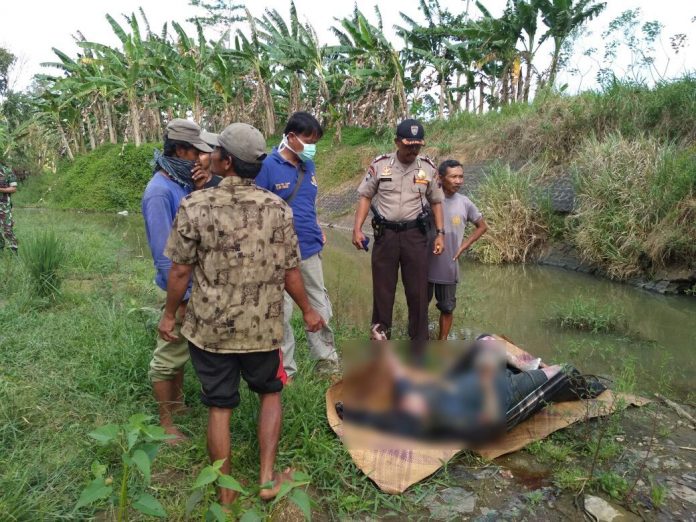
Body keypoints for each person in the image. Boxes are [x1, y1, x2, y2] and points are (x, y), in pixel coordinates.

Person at [157, 122, 326, 504]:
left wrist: (169, 315)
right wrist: (308, 311)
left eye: (216, 151)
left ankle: (226, 495)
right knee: (270, 393)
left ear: (226, 162)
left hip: (211, 331)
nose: (211, 156)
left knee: (219, 406)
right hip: (262, 329)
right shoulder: (278, 209)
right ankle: (267, 480)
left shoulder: (195, 205)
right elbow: (291, 272)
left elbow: (180, 271)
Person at [141, 119, 214, 442]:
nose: (200, 158)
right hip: (180, 287)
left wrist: (199, 190)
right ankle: (166, 423)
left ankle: (178, 403)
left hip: (190, 284)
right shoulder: (159, 192)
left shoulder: (182, 184)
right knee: (167, 354)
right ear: (181, 151)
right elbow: (164, 255)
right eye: (196, 152)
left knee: (180, 351)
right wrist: (179, 299)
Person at [255, 112, 338, 379]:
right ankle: (286, 372)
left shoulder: (307, 166)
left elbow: (307, 203)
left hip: (309, 248)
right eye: (308, 141)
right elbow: (256, 211)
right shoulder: (267, 166)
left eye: (315, 142)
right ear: (291, 137)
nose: (312, 147)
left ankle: (326, 364)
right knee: (281, 311)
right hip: (277, 253)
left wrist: (316, 227)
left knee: (319, 305)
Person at [352, 119, 445, 341]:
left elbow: (436, 202)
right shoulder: (380, 165)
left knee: (418, 292)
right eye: (408, 145)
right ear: (397, 142)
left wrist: (440, 234)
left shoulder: (428, 168)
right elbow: (365, 196)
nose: (413, 150)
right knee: (383, 291)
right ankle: (380, 342)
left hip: (415, 236)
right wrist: (357, 229)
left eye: (417, 146)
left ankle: (418, 345)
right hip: (386, 236)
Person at [428, 159, 488, 340]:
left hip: (449, 264)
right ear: (440, 177)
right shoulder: (427, 199)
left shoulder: (465, 203)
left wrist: (463, 246)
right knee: (419, 306)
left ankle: (442, 343)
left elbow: (482, 226)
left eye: (461, 177)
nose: (458, 181)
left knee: (447, 308)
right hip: (424, 263)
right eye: (453, 177)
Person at [0, 162, 18, 254]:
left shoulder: (7, 171)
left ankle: (13, 252)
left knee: (7, 230)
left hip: (4, 206)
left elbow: (13, 188)